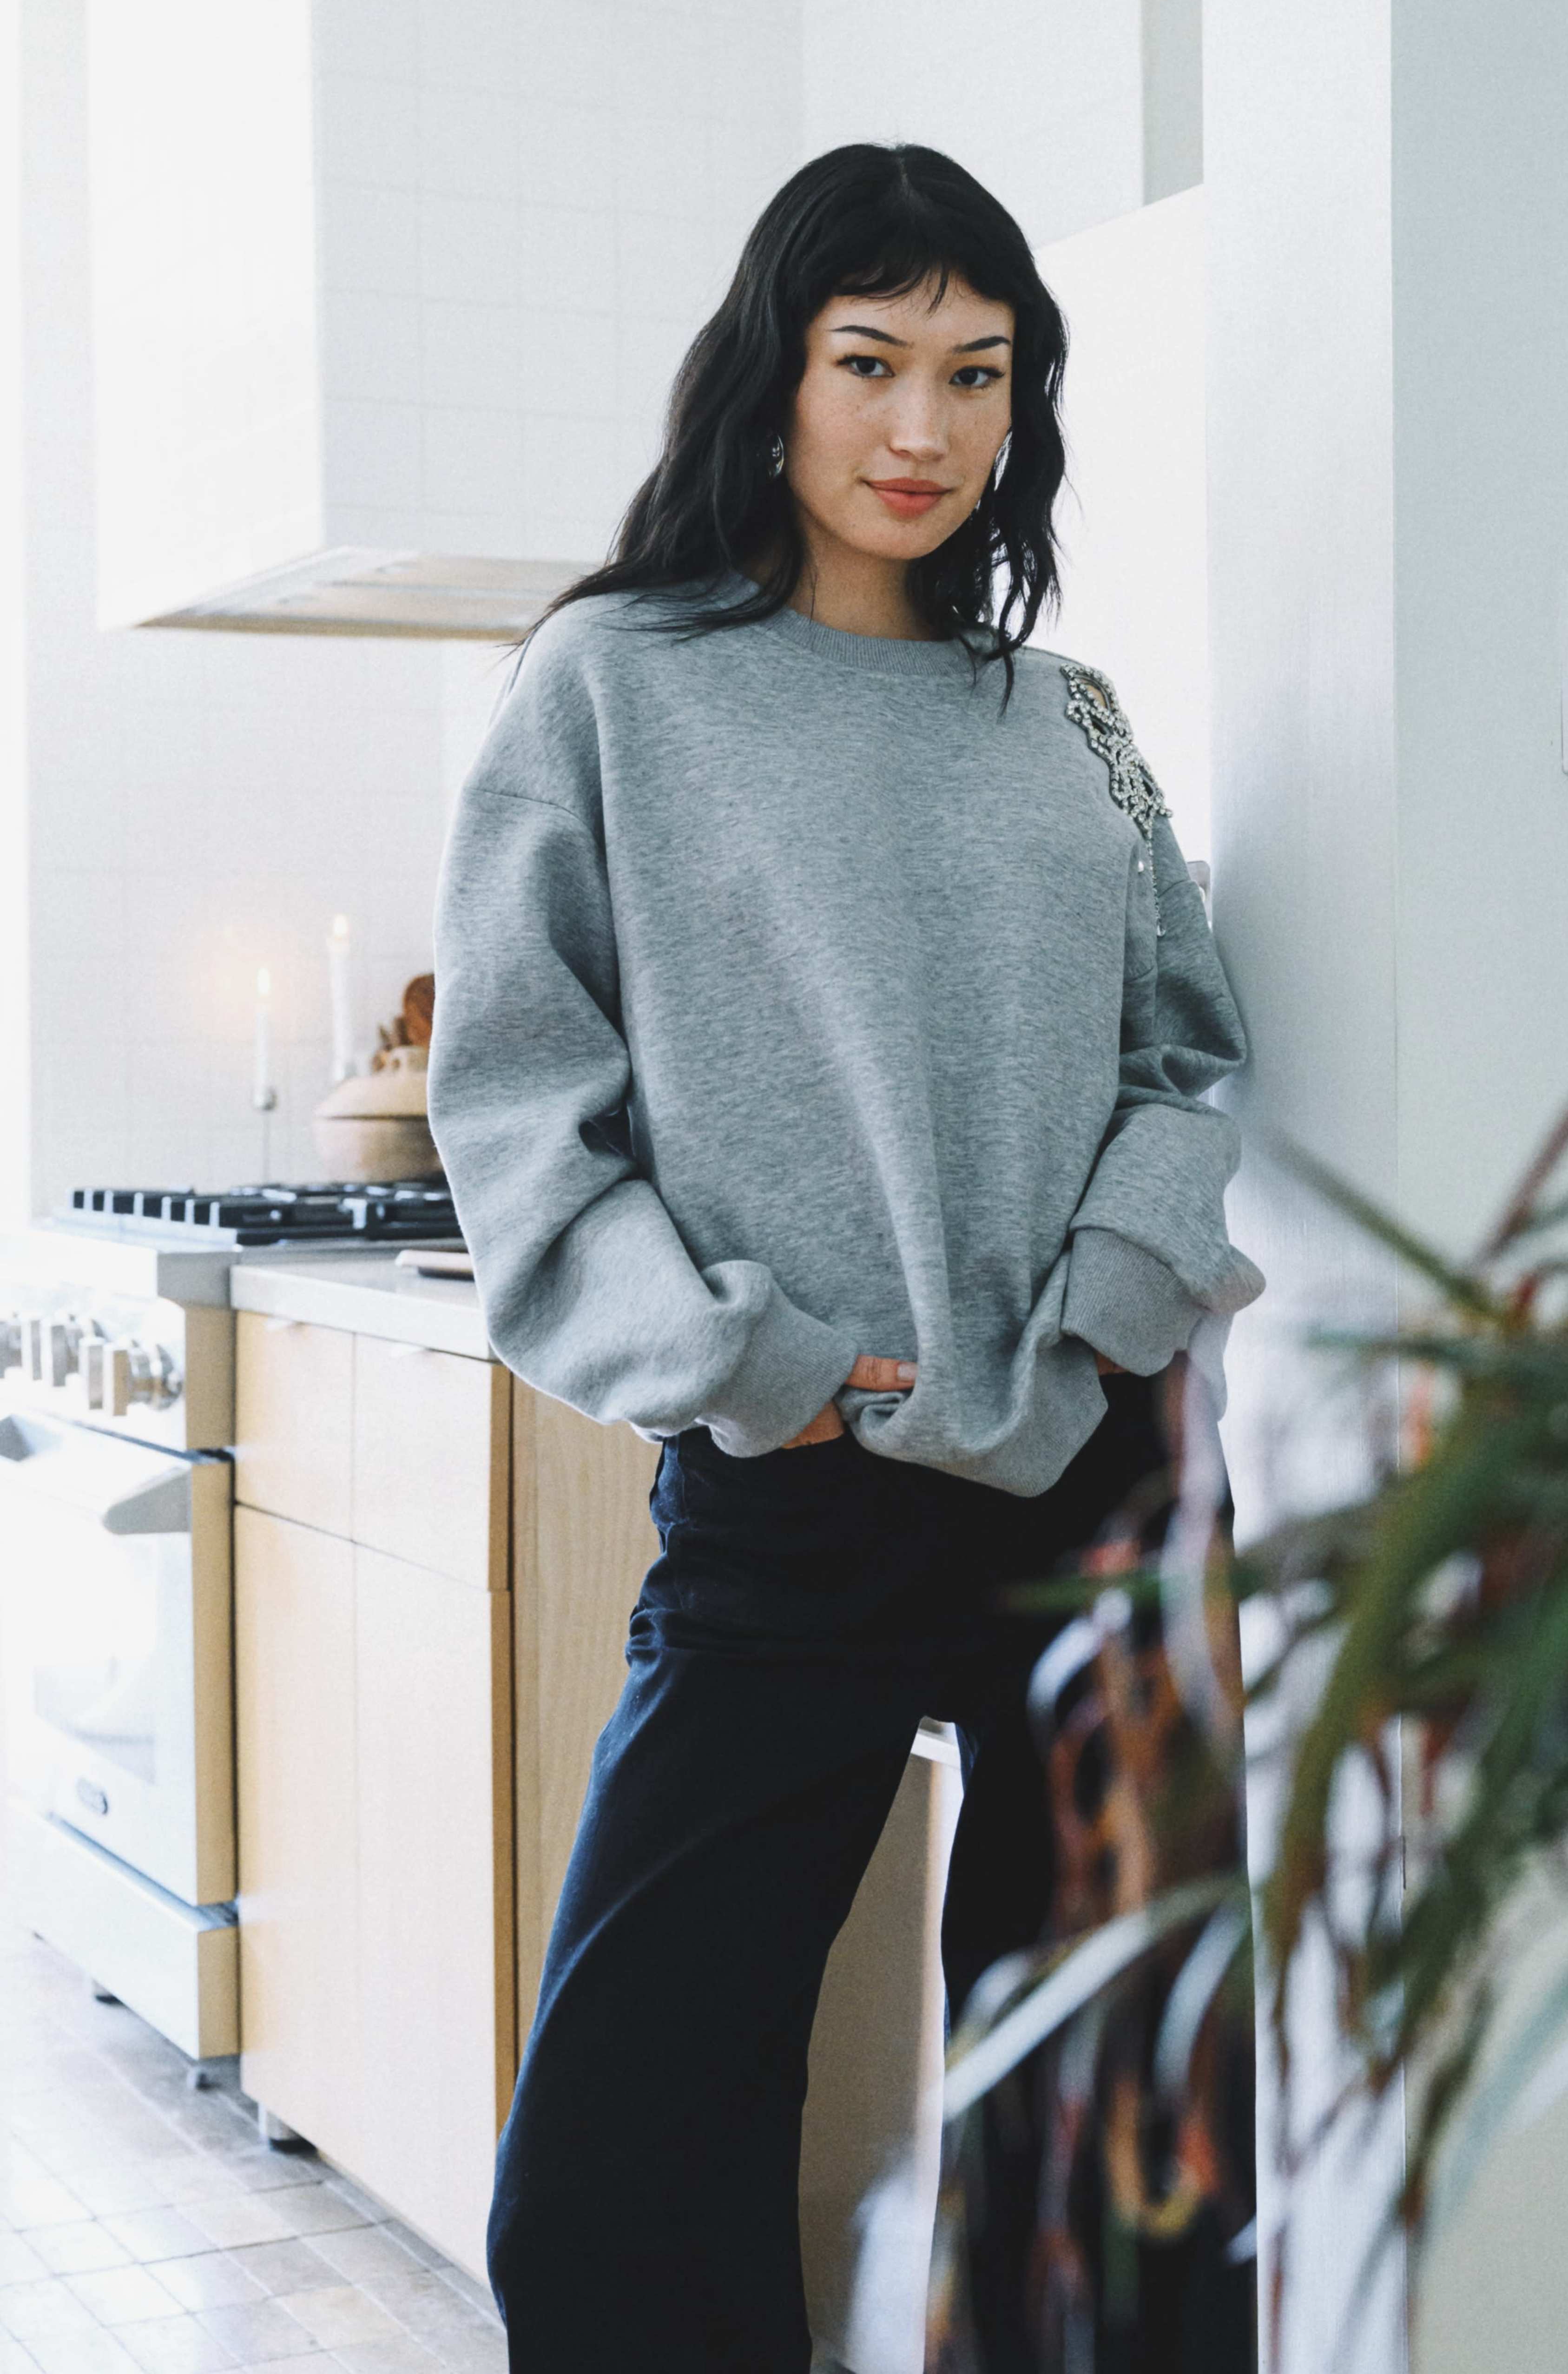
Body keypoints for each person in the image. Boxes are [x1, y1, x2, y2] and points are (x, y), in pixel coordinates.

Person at [426, 140, 1263, 2371]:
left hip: (1098, 1477)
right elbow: (517, 1105)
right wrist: (758, 1368)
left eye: (978, 374)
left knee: (1122, 2118)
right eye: (870, 361)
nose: (924, 429)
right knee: (623, 2147)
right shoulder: (618, 685)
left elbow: (1189, 1057)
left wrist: (1104, 1308)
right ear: (772, 381)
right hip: (796, 1471)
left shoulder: (1060, 715)